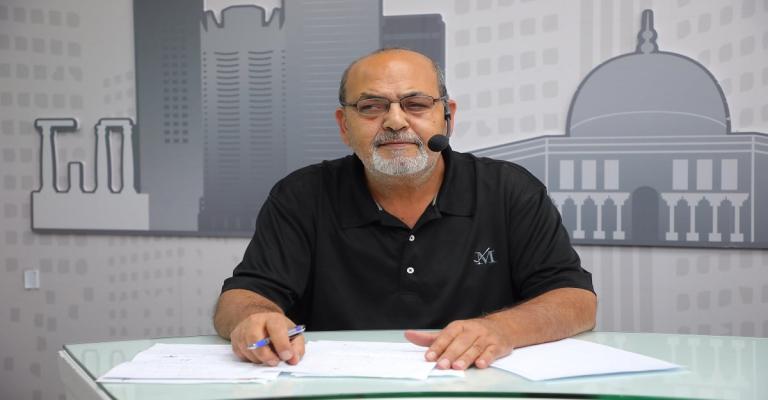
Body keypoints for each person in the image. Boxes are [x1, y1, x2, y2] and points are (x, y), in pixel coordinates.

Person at [214, 48, 597, 371]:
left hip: (477, 381)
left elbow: (576, 301)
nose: (396, 121)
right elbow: (241, 297)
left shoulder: (509, 189)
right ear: (344, 126)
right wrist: (254, 319)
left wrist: (502, 329)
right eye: (371, 107)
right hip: (340, 384)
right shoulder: (301, 195)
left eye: (416, 104)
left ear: (448, 117)